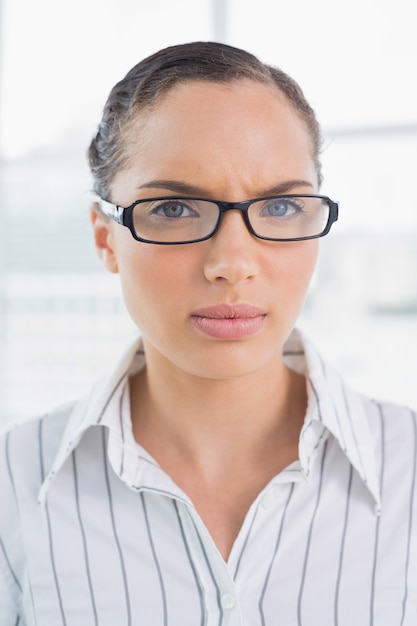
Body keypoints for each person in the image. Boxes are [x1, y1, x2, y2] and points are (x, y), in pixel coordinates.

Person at [0, 41, 416, 626]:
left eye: (279, 208)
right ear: (104, 238)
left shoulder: (408, 471)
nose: (232, 263)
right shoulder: (15, 483)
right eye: (173, 209)